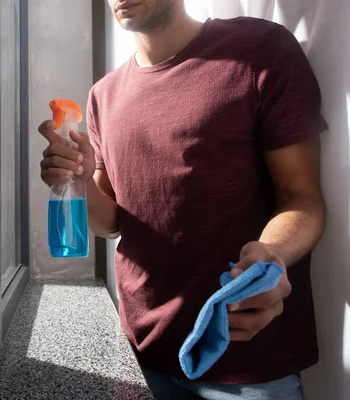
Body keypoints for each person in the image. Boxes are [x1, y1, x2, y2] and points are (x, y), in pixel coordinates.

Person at [38, 1, 327, 399]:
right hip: (140, 354)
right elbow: (112, 224)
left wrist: (271, 256)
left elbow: (302, 198)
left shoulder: (260, 48)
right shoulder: (103, 95)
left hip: (245, 359)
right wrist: (81, 181)